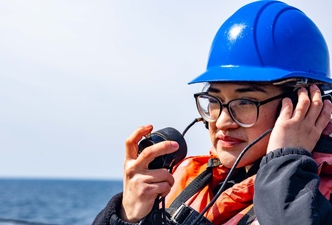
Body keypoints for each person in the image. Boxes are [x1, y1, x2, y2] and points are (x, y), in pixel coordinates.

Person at [93, 1, 332, 224]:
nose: (223, 121)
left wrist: (286, 162)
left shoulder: (321, 200)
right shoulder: (185, 179)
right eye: (215, 100)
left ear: (306, 105)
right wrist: (127, 215)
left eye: (246, 101)